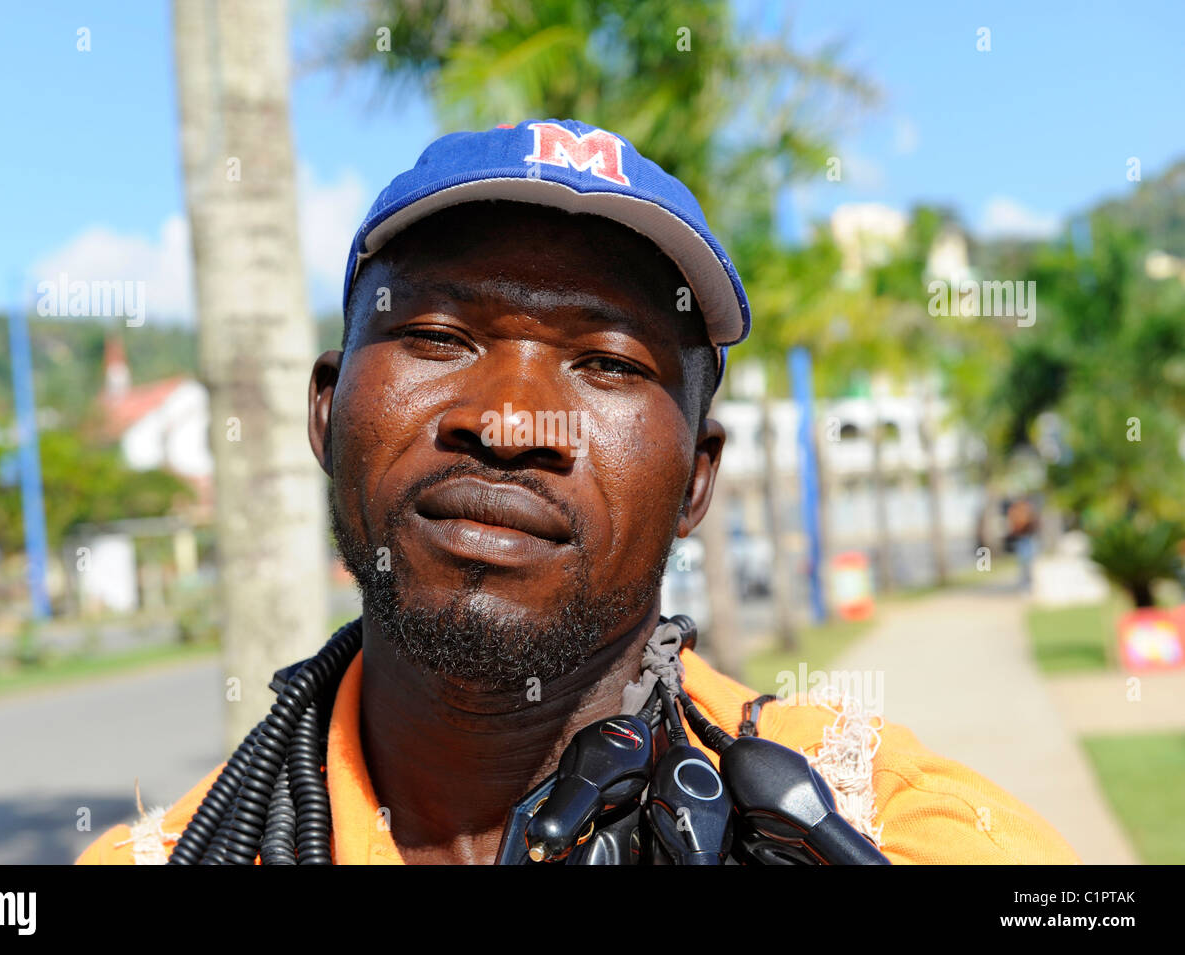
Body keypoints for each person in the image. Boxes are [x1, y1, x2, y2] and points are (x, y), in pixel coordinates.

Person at [77, 119, 1079, 865]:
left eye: (604, 363)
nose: (511, 422)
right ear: (327, 413)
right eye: (436, 337)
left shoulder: (892, 825)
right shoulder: (165, 855)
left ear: (695, 479)